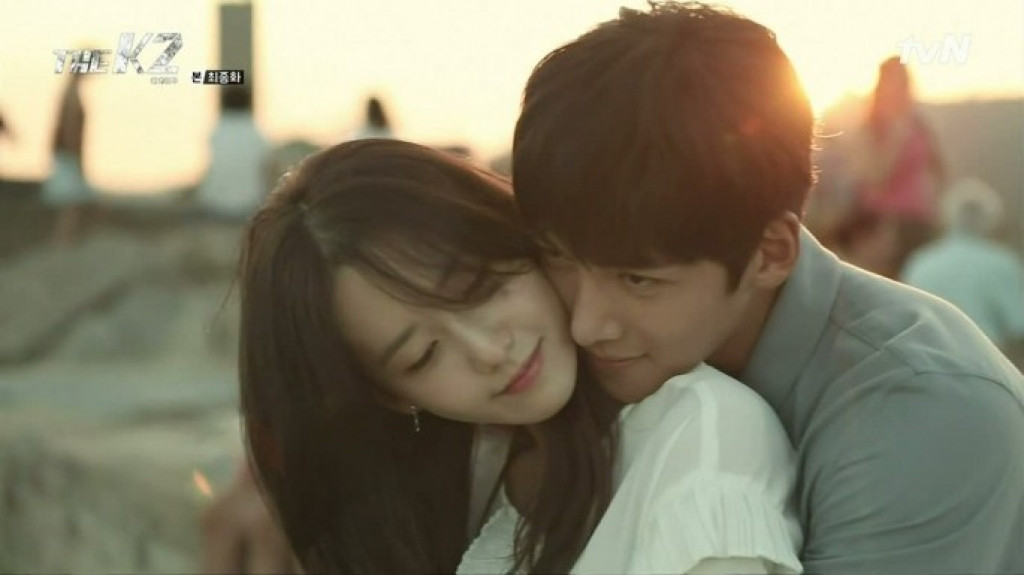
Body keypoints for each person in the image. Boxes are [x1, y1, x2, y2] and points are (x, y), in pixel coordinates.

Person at [507, 3, 1024, 574]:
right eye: (560, 258)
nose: (585, 325)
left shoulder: (921, 412)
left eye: (637, 279)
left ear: (772, 252)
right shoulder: (564, 356)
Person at [222, 138, 801, 574]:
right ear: (391, 396)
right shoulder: (459, 482)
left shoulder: (702, 437)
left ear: (513, 235)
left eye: (479, 286)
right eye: (424, 356)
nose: (488, 351)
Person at [843, 56, 946, 278]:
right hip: (884, 226)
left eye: (904, 80)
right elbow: (875, 177)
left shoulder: (919, 124)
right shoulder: (871, 128)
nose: (901, 88)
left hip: (919, 223)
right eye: (894, 81)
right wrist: (896, 136)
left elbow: (937, 171)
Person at [902, 177, 1024, 359]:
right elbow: (1018, 324)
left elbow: (905, 319)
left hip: (926, 360)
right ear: (992, 218)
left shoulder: (921, 261)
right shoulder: (1000, 262)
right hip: (984, 362)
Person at [42, 72, 97, 246]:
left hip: (66, 154)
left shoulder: (69, 93)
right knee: (71, 200)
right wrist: (75, 158)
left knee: (70, 201)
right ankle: (64, 239)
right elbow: (70, 129)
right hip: (68, 155)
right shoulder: (71, 95)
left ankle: (64, 238)